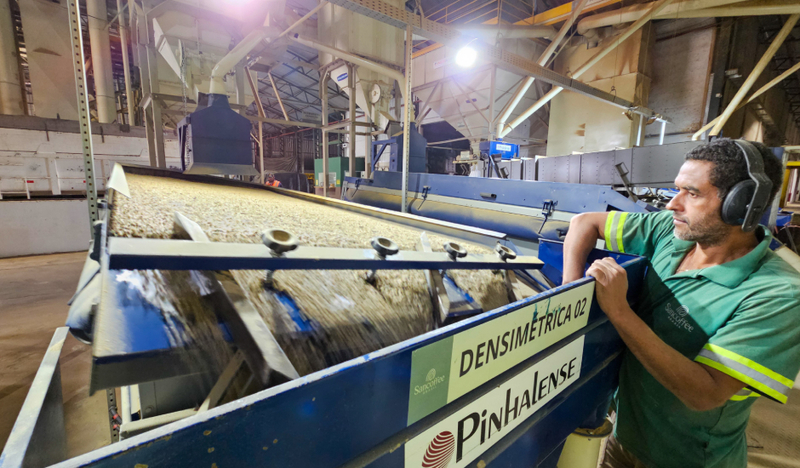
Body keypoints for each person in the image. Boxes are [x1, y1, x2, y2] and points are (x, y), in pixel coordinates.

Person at [563, 138, 800, 468]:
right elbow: (583, 223)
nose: (673, 204)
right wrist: (571, 293)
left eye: (692, 193)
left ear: (741, 204)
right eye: (677, 190)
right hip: (623, 438)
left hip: (687, 459)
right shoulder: (670, 231)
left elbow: (705, 393)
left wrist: (619, 312)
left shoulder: (778, 295)